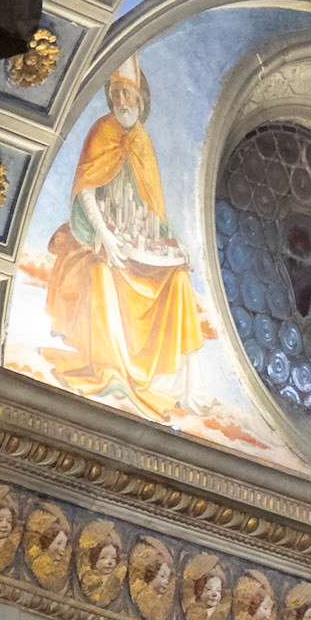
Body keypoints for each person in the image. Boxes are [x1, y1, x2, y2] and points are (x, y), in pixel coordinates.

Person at [43, 53, 213, 417]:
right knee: (102, 275)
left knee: (179, 280)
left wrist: (177, 242)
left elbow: (154, 208)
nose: (122, 101)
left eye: (128, 94)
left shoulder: (143, 142)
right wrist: (103, 233)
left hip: (135, 241)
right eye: (117, 93)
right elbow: (86, 189)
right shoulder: (101, 131)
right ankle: (113, 368)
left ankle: (180, 384)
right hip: (93, 241)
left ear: (140, 100)